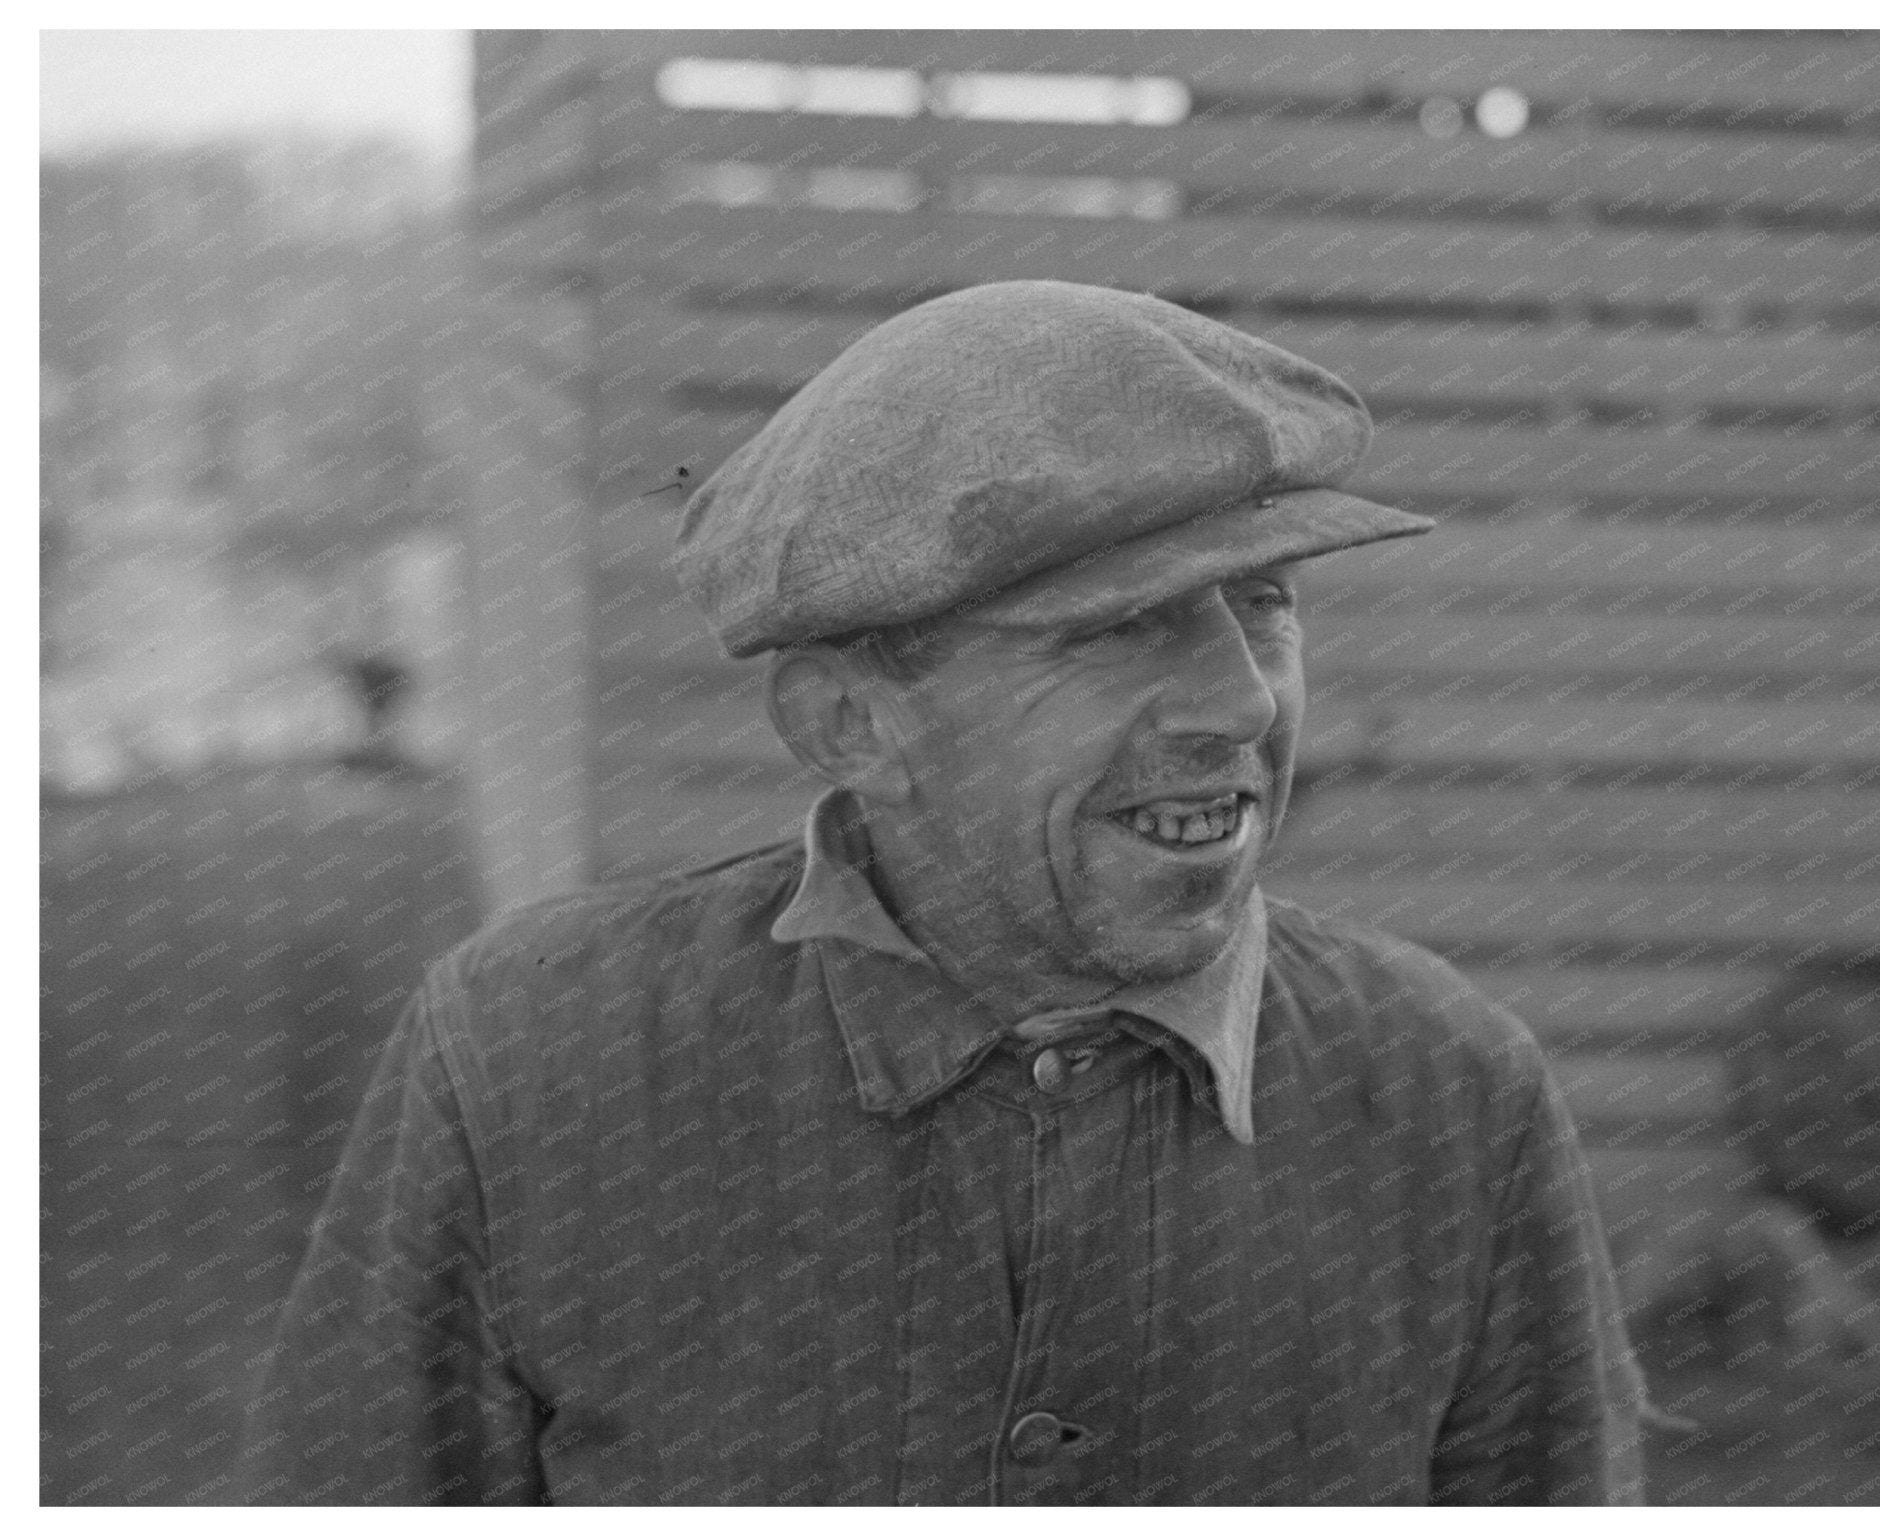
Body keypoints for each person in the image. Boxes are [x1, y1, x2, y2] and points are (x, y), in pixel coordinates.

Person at [244, 280, 1646, 1505]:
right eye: (1118, 626)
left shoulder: (1450, 1092)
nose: (1239, 697)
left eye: (1266, 600)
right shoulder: (533, 1060)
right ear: (852, 726)